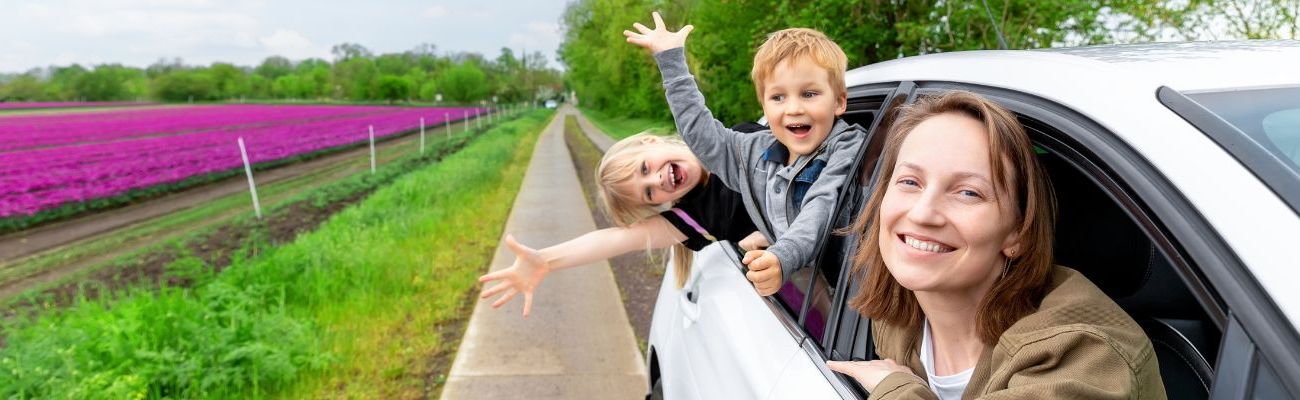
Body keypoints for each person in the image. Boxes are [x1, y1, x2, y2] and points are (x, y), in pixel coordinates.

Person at [825, 91, 1166, 399]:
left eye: (968, 192)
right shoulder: (895, 313)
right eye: (910, 182)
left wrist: (895, 389)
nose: (922, 213)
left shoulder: (1084, 355)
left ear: (1017, 232)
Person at [625, 12, 866, 296]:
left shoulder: (845, 146)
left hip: (865, 288)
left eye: (809, 94)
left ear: (839, 102)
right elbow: (703, 135)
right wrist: (671, 61)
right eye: (778, 97)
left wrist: (781, 256)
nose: (793, 109)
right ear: (764, 107)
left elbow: (820, 207)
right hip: (832, 294)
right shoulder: (755, 152)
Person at [478, 132, 763, 316]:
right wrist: (546, 260)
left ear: (652, 141)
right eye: (649, 193)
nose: (656, 180)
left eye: (644, 168)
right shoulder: (694, 218)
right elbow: (617, 238)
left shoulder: (733, 136)